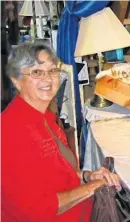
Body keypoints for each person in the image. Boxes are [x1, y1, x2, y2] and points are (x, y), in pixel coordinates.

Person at [1, 43, 121, 221]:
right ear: (16, 80)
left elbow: (61, 177)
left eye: (52, 70)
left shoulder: (47, 119)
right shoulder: (10, 131)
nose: (47, 78)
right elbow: (36, 208)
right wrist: (94, 186)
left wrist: (88, 176)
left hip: (79, 211)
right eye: (36, 72)